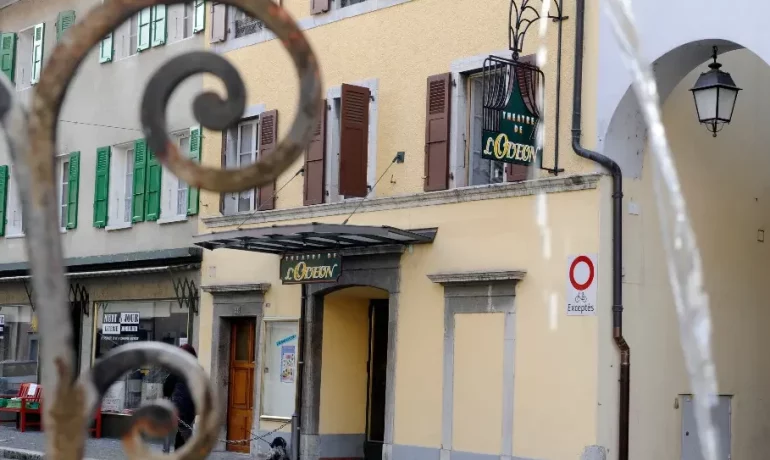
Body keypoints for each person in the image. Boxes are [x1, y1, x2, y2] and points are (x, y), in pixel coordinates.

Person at [171, 344, 198, 450]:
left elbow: (179, 392)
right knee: (181, 438)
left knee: (185, 436)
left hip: (183, 410)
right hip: (188, 408)